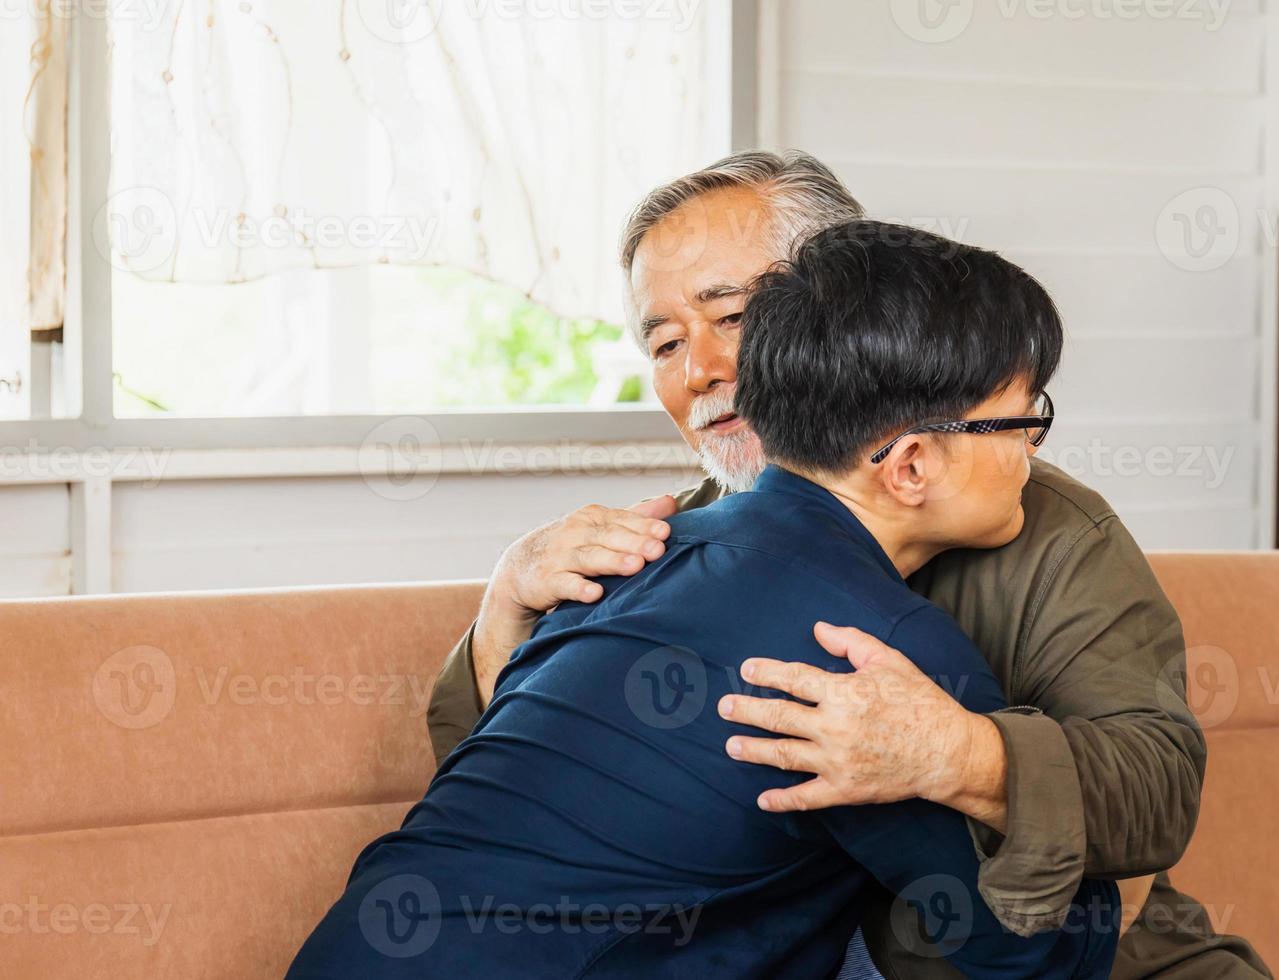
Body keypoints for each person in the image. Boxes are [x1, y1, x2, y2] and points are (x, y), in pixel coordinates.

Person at [427, 151, 1272, 979]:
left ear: (846, 308)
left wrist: (963, 754)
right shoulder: (659, 547)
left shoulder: (1039, 524)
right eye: (665, 343)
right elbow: (514, 823)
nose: (701, 372)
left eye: (733, 318)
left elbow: (1158, 783)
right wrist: (507, 601)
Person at [289, 221, 1122, 979]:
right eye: (1022, 419)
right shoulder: (874, 651)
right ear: (909, 466)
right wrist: (1104, 871)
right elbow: (1016, 954)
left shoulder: (628, 558)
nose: (1032, 449)